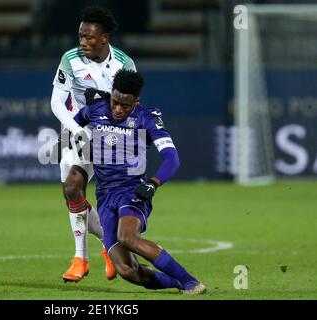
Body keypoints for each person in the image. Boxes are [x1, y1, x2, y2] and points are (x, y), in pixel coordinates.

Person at [72, 69, 207, 295]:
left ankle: (191, 282)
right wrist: (67, 149)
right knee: (127, 270)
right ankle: (177, 283)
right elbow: (72, 124)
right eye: (115, 102)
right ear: (111, 95)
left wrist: (153, 183)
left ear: (136, 102)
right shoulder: (95, 110)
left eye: (125, 105)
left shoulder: (147, 117)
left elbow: (172, 158)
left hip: (132, 191)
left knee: (128, 237)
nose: (117, 109)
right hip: (104, 197)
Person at [50, 5, 137, 282]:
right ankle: (84, 257)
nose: (83, 42)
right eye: (80, 36)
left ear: (104, 38)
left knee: (103, 199)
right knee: (72, 190)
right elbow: (55, 101)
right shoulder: (70, 59)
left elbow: (133, 105)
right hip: (76, 131)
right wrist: (75, 128)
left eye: (89, 37)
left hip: (111, 136)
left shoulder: (125, 63)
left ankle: (97, 251)